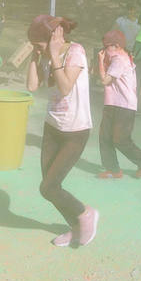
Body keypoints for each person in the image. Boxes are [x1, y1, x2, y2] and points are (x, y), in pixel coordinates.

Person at [26, 15, 99, 247]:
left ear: (51, 39)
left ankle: (86, 214)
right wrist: (34, 57)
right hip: (52, 126)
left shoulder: (75, 52)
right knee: (49, 188)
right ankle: (75, 226)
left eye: (38, 44)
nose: (38, 49)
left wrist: (55, 54)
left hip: (75, 130)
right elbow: (32, 86)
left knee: (49, 186)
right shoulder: (48, 55)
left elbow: (66, 87)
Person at [96, 30, 141, 179]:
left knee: (121, 140)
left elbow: (104, 81)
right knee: (105, 137)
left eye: (106, 47)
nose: (104, 50)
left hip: (124, 105)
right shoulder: (117, 58)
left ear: (116, 46)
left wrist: (100, 62)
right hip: (112, 103)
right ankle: (113, 169)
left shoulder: (119, 60)